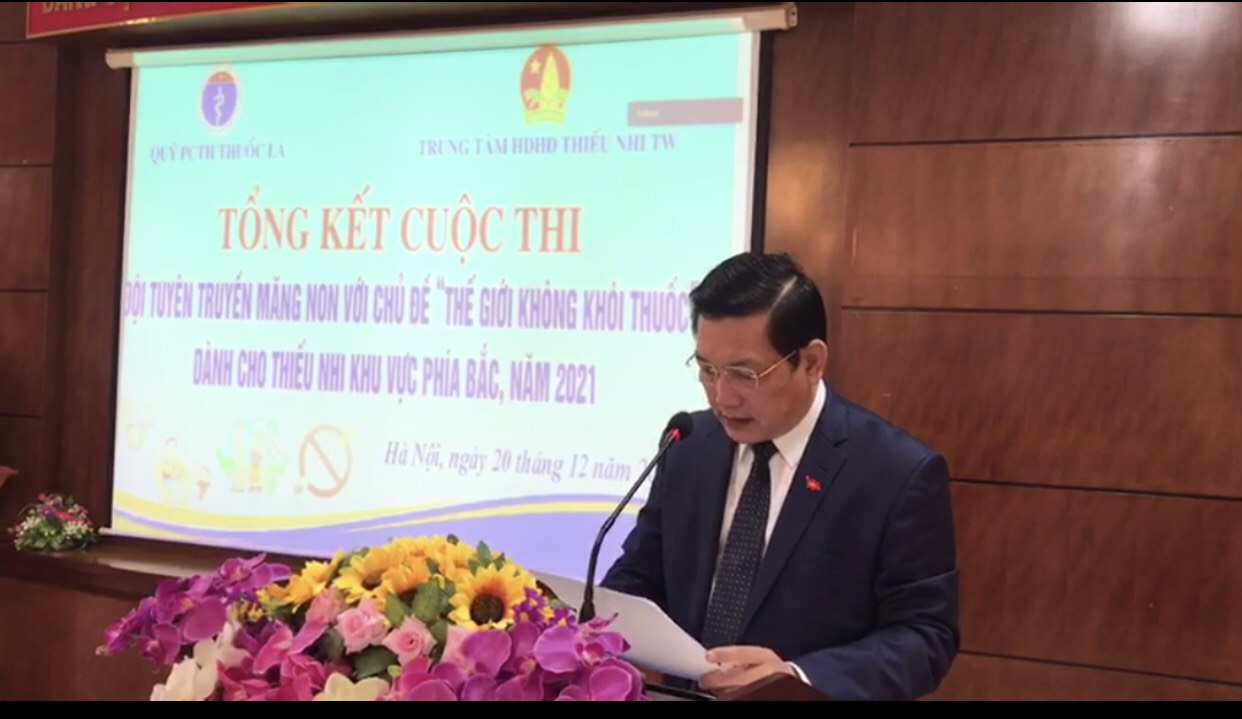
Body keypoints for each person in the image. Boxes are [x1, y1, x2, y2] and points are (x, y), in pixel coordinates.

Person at [600, 252, 959, 701]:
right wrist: (586, 632)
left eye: (744, 374)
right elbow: (641, 574)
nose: (722, 396)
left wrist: (795, 677)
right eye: (707, 370)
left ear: (811, 362)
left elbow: (925, 635)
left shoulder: (895, 473)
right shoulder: (688, 445)